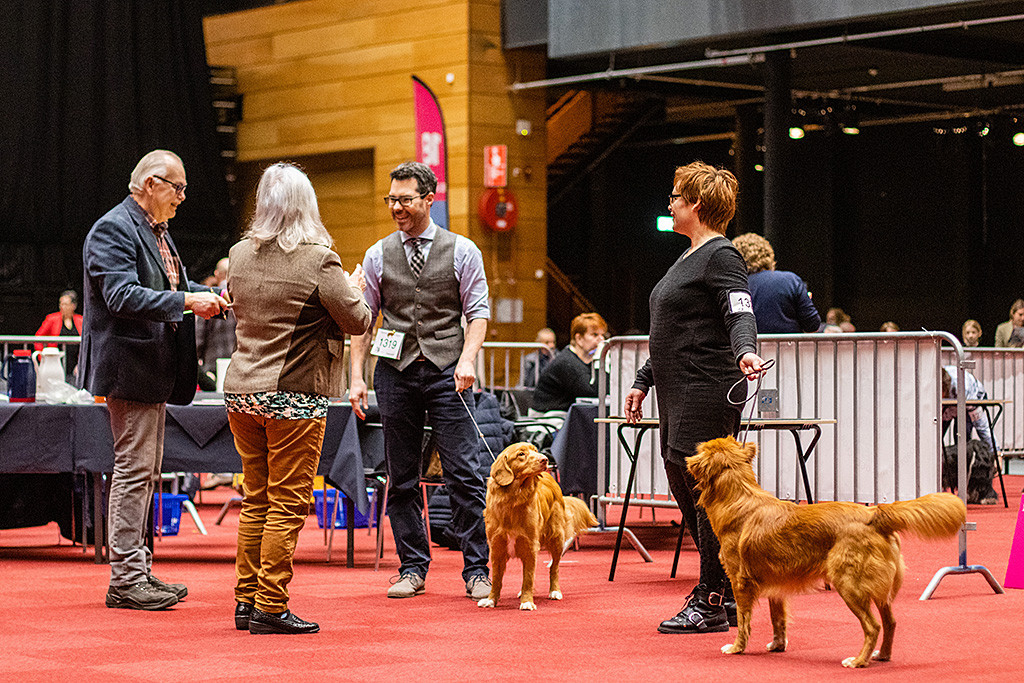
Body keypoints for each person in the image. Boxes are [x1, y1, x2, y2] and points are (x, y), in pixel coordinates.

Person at [223, 162, 370, 635]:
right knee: (287, 504)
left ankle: (247, 601)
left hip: (242, 391)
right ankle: (270, 605)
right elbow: (356, 321)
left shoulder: (239, 254)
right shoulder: (318, 258)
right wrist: (357, 289)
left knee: (256, 499)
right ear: (307, 204)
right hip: (293, 396)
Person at [79, 149, 229, 610]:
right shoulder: (113, 228)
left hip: (152, 370)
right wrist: (189, 302)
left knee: (144, 473)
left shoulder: (155, 231)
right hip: (130, 369)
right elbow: (122, 295)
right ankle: (125, 580)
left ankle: (138, 570)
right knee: (133, 471)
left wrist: (219, 295)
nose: (183, 197)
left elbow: (174, 284)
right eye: (177, 187)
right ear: (149, 183)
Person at [622, 161, 764, 634]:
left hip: (706, 387)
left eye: (676, 196)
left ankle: (712, 596)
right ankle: (719, 589)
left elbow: (738, 311)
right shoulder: (688, 256)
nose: (670, 202)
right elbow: (673, 332)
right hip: (679, 388)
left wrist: (745, 351)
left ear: (696, 204)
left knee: (707, 496)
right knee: (688, 488)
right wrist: (643, 379)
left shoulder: (721, 255)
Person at [349, 161, 492, 601]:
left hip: (449, 372)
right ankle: (411, 567)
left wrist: (468, 359)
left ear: (430, 199)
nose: (397, 207)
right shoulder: (377, 254)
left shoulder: (464, 249)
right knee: (402, 476)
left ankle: (477, 569)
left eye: (405, 199)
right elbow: (363, 320)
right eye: (391, 199)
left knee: (464, 473)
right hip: (394, 373)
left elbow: (478, 313)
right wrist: (357, 377)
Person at [731, 232, 820, 334]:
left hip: (748, 349)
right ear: (768, 254)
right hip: (789, 348)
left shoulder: (732, 287)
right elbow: (813, 325)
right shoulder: (790, 280)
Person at [941, 366, 999, 504]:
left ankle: (967, 490)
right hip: (947, 407)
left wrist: (996, 453)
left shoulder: (965, 389)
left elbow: (982, 427)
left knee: (963, 444)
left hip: (969, 400)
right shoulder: (933, 382)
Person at [531, 313, 607, 413]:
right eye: (595, 335)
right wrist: (599, 361)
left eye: (603, 335)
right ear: (579, 338)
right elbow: (592, 393)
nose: (601, 340)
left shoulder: (582, 361)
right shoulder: (566, 362)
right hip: (547, 418)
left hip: (564, 415)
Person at [34, 290, 83, 382]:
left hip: (74, 364)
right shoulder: (52, 319)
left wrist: (81, 364)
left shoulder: (81, 320)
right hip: (55, 363)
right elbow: (38, 338)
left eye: (65, 304)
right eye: (61, 304)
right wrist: (43, 358)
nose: (62, 307)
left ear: (73, 306)